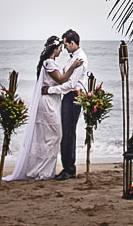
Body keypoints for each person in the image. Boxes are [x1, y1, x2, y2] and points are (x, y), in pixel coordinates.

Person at [3, 35, 82, 181]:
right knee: (53, 135)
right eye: (60, 47)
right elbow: (61, 80)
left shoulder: (48, 62)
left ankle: (44, 169)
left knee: (48, 136)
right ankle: (42, 170)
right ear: (55, 48)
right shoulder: (49, 63)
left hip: (52, 101)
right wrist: (73, 67)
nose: (61, 50)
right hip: (48, 103)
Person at [42, 29, 88, 180]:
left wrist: (50, 90)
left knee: (68, 133)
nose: (64, 48)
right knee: (66, 132)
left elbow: (70, 85)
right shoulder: (73, 58)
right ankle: (67, 167)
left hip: (74, 96)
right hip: (69, 96)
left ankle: (69, 169)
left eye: (66, 44)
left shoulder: (79, 59)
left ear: (72, 43)